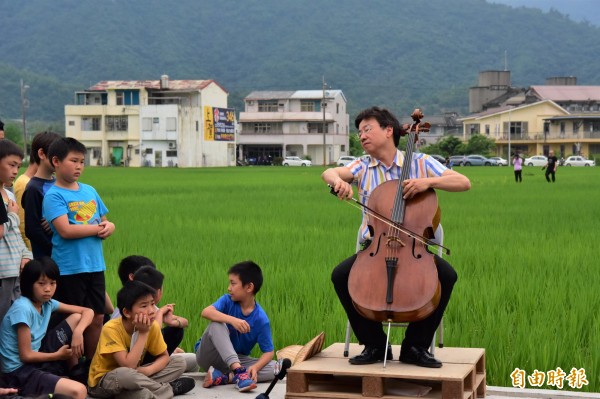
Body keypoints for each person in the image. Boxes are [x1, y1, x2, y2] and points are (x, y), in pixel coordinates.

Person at [322, 107, 471, 368]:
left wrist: (428, 183)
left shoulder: (420, 163)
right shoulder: (363, 166)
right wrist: (339, 182)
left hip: (415, 248)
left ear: (388, 130)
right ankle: (375, 345)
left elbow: (463, 182)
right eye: (359, 132)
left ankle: (416, 346)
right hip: (376, 247)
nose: (362, 136)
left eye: (368, 129)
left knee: (447, 276)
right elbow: (329, 173)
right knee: (341, 275)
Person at [41, 137, 115, 359]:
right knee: (74, 320)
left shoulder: (89, 190)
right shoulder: (54, 195)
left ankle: (92, 368)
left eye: (82, 161)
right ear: (56, 161)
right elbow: (65, 230)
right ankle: (74, 370)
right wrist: (96, 229)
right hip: (69, 268)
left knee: (97, 318)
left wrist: (109, 227)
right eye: (73, 161)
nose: (79, 166)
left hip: (94, 265)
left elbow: (104, 219)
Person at [0, 257, 93, 399]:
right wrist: (58, 356)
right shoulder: (23, 308)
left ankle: (73, 370)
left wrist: (78, 333)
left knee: (77, 318)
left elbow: (88, 311)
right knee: (79, 391)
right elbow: (26, 355)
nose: (48, 289)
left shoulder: (47, 303)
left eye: (52, 283)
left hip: (37, 355)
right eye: (41, 283)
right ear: (29, 284)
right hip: (19, 372)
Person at [87, 281, 194, 399]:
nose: (152, 310)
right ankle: (169, 389)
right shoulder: (111, 329)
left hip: (136, 376)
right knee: (126, 375)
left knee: (179, 363)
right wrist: (143, 333)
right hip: (106, 380)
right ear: (127, 312)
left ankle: (145, 390)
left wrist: (148, 370)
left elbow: (164, 356)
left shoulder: (151, 325)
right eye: (144, 306)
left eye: (152, 304)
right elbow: (128, 366)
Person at [197, 260, 275, 392]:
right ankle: (239, 373)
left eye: (233, 283)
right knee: (217, 324)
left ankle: (226, 377)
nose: (229, 288)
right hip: (209, 355)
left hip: (235, 360)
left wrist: (255, 367)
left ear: (249, 287)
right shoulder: (227, 301)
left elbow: (269, 352)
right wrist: (233, 321)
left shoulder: (261, 319)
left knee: (276, 368)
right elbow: (206, 312)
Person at [0, 140, 34, 323]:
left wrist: (26, 254)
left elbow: (15, 235)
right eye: (11, 165)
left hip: (14, 271)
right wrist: (12, 216)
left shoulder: (9, 194)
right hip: (2, 272)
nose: (15, 171)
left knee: (11, 325)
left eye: (18, 166)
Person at [131, 266, 189, 360]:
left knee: (177, 331)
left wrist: (172, 322)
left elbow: (185, 322)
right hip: (138, 357)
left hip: (153, 353)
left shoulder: (153, 308)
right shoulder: (136, 310)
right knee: (185, 361)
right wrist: (160, 313)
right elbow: (155, 332)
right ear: (159, 292)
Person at [22, 131, 62, 258]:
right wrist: (55, 249)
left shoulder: (60, 183)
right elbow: (32, 230)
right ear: (41, 154)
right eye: (56, 155)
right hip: (48, 259)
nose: (60, 160)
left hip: (64, 255)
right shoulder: (34, 188)